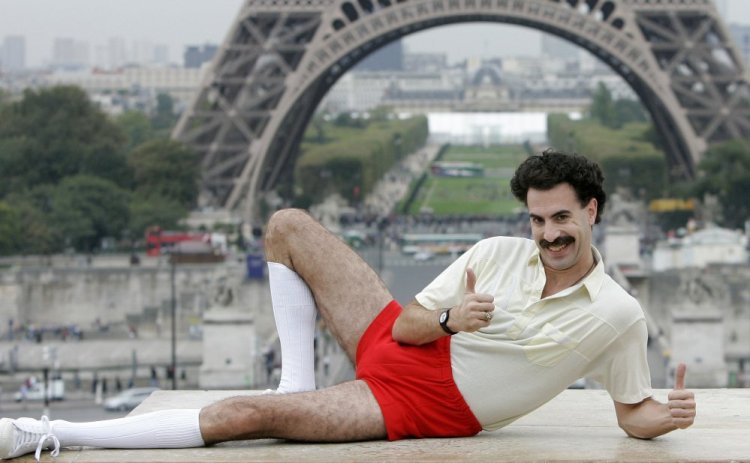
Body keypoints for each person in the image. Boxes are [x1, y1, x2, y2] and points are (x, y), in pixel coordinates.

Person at [0, 150, 696, 461]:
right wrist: (454, 318)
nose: (548, 234)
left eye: (561, 219)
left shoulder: (618, 314)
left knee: (252, 416)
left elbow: (631, 412)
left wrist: (665, 417)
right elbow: (418, 322)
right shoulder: (497, 251)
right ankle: (298, 380)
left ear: (593, 211)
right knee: (287, 226)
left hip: (424, 405)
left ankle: (50, 431)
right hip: (402, 338)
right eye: (538, 220)